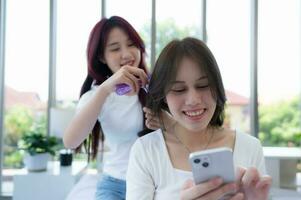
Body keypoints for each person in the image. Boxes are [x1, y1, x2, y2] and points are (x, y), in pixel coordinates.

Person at [126, 37, 272, 200]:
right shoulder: (146, 151)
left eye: (203, 86)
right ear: (163, 97)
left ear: (217, 88)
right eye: (179, 89)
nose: (193, 99)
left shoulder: (250, 147)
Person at [63, 16, 152, 200]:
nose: (127, 54)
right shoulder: (97, 95)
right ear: (102, 56)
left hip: (153, 181)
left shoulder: (153, 86)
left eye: (131, 44)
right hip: (116, 185)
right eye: (115, 48)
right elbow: (71, 141)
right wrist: (104, 89)